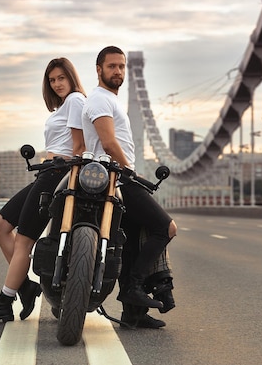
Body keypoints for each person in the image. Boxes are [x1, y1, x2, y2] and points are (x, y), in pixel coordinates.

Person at [0, 57, 86, 323]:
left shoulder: (76, 101)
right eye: (52, 80)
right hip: (47, 172)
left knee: (24, 241)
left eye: (61, 78)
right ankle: (25, 285)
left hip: (57, 174)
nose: (57, 84)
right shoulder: (62, 107)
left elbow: (79, 148)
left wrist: (68, 170)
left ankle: (4, 301)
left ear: (71, 77)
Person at [81, 45, 178, 328]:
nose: (118, 71)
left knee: (131, 243)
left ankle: (132, 314)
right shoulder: (100, 100)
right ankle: (132, 288)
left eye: (121, 66)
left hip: (117, 177)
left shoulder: (109, 100)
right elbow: (109, 143)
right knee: (165, 228)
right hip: (118, 177)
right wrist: (130, 174)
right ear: (99, 69)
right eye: (112, 66)